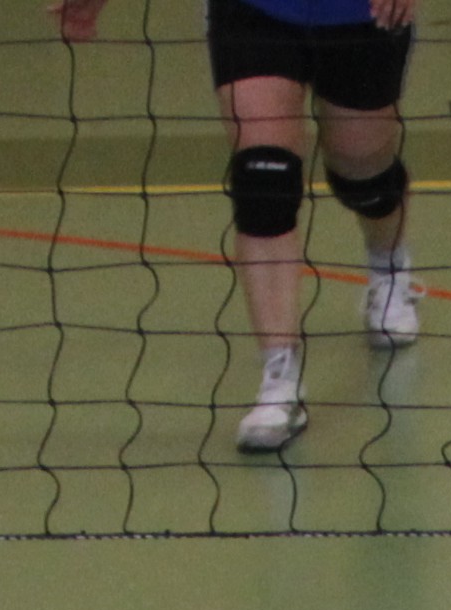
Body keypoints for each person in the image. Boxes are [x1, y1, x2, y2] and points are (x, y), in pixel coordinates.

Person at [50, 0, 420, 453]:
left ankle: (388, 265)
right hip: (254, 11)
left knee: (364, 179)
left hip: (360, 14)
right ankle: (280, 380)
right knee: (263, 183)